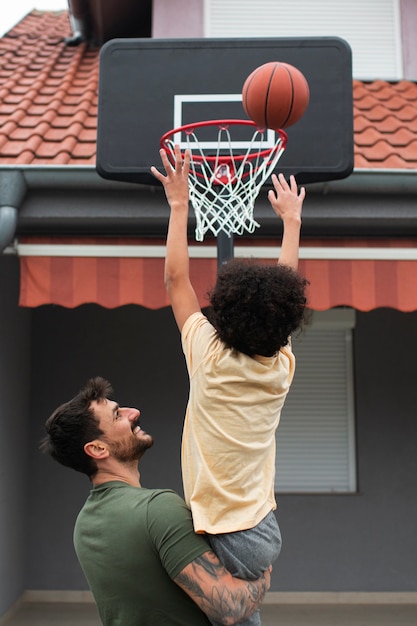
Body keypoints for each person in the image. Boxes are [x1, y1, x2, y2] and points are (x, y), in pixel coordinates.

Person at [151, 145, 308, 626]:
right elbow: (180, 282)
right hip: (258, 528)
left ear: (223, 311)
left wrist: (181, 205)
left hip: (230, 531)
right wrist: (291, 223)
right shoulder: (280, 368)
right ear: (287, 324)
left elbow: (177, 277)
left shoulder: (209, 357)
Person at [40, 376, 271, 626]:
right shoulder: (158, 509)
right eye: (118, 415)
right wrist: (263, 566)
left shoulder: (83, 526)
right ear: (97, 449)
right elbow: (231, 606)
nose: (134, 413)